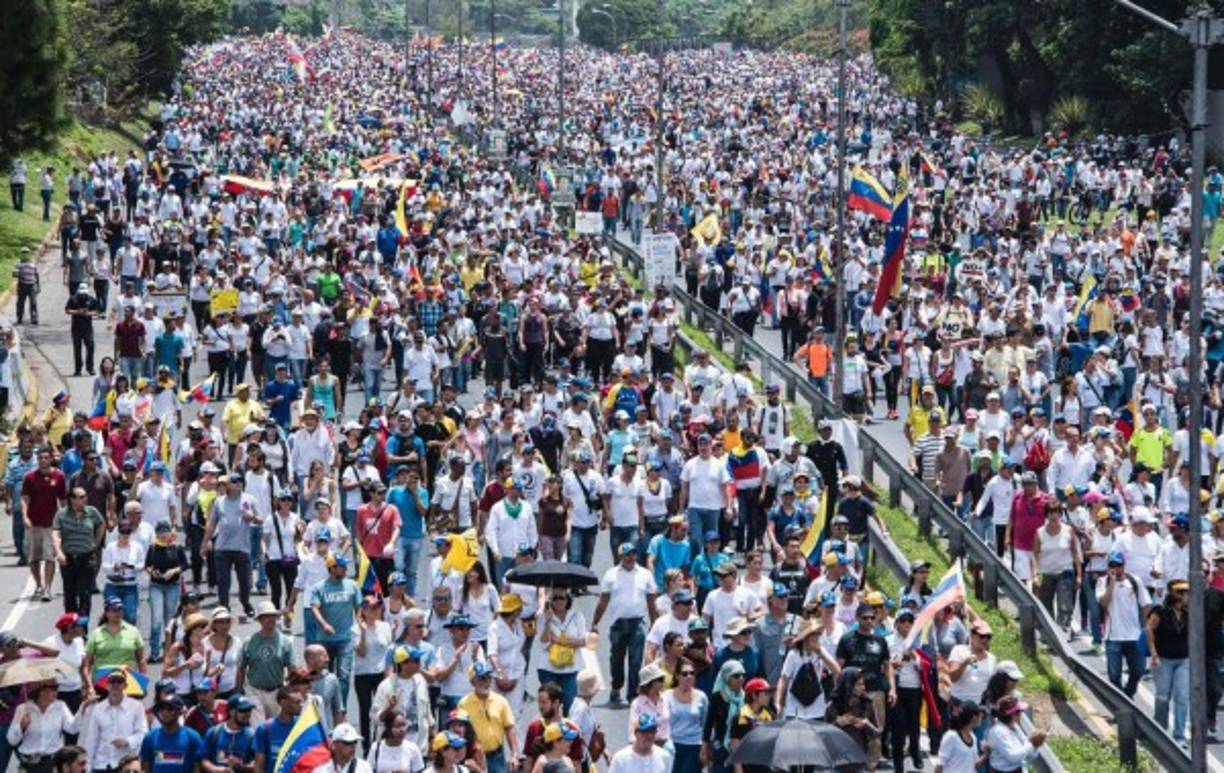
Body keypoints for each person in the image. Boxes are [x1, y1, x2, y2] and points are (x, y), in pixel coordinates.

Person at [591, 542, 658, 704]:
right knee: (616, 659)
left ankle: (632, 694)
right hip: (618, 625)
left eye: (634, 554)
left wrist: (654, 623)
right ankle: (616, 686)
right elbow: (603, 600)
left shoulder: (645, 574)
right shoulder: (611, 574)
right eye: (627, 554)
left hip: (638, 623)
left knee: (636, 661)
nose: (631, 557)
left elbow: (651, 601)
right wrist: (595, 623)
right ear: (620, 556)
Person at [1097, 549, 1150, 697]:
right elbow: (1104, 602)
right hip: (1113, 637)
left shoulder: (1135, 581)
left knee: (1138, 671)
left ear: (1124, 565)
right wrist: (1112, 582)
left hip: (1134, 635)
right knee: (1114, 675)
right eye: (1113, 565)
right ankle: (1120, 704)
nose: (1116, 569)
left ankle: (1127, 695)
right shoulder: (1103, 582)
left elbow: (1145, 605)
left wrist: (1146, 628)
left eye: (1119, 565)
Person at [1146, 578, 1190, 743]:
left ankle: (1179, 736)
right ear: (1176, 595)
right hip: (1163, 660)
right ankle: (1160, 729)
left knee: (1182, 697)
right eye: (1185, 593)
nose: (1188, 596)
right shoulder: (1160, 612)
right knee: (1163, 696)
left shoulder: (1189, 613)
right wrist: (1154, 654)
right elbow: (1149, 630)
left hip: (1184, 660)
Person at [456, 662, 518, 773]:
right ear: (472, 682)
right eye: (482, 678)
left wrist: (514, 754)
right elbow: (460, 732)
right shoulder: (464, 704)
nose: (487, 682)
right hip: (475, 756)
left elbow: (509, 728)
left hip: (496, 756)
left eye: (488, 677)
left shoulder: (501, 701)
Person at [81, 669, 148, 771]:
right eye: (112, 681)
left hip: (126, 765)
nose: (115, 684)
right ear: (107, 685)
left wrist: (128, 741)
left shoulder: (137, 706)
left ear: (125, 685)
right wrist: (88, 767)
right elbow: (92, 739)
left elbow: (143, 733)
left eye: (119, 681)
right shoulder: (98, 708)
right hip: (101, 764)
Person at [824, 667, 881, 770]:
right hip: (838, 762)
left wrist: (866, 724)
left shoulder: (867, 703)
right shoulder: (833, 706)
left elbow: (877, 733)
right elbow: (823, 737)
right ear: (848, 684)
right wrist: (837, 724)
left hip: (859, 761)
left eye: (863, 684)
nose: (863, 688)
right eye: (859, 684)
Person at [139, 695, 207, 773]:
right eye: (162, 708)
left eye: (170, 709)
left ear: (180, 712)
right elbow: (145, 767)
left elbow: (197, 767)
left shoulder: (193, 737)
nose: (165, 712)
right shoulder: (150, 737)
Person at [985, 696, 1046, 773]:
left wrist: (1036, 744)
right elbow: (1012, 757)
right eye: (1020, 712)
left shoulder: (1015, 727)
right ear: (1013, 714)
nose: (1021, 714)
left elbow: (1029, 754)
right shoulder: (998, 732)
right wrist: (1031, 743)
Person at [202, 694, 257, 773]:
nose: (248, 714)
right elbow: (203, 759)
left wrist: (241, 767)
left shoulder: (252, 735)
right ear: (231, 712)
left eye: (249, 710)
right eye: (243, 710)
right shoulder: (214, 732)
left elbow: (259, 764)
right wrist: (215, 769)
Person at [934, 699, 989, 773]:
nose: (981, 717)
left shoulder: (973, 737)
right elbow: (939, 766)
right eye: (980, 715)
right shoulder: (951, 737)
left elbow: (975, 765)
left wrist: (986, 754)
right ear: (974, 718)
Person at [365, 707, 425, 773]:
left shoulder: (413, 748)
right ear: (388, 728)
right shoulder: (376, 747)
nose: (402, 730)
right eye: (397, 726)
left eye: (404, 725)